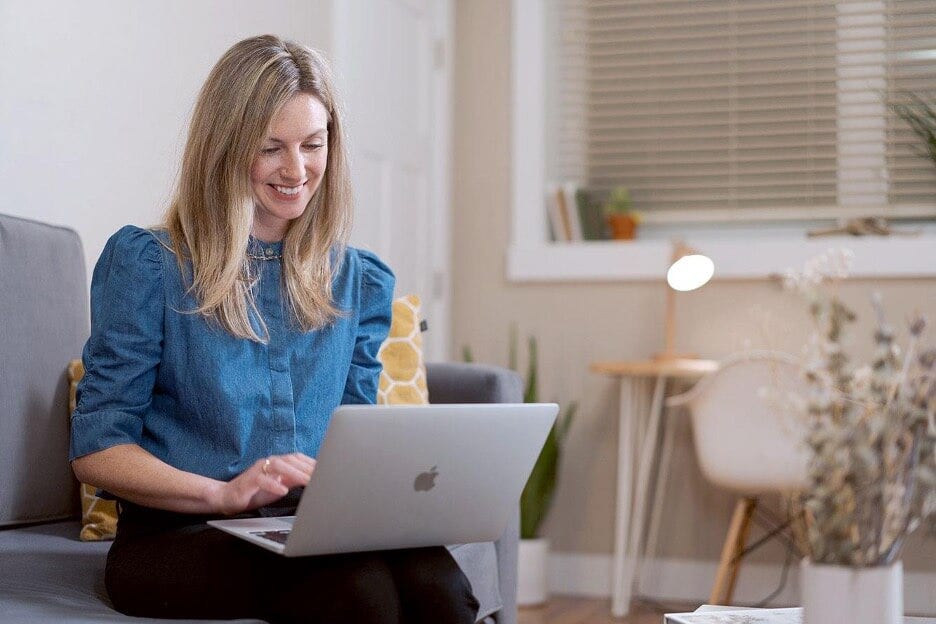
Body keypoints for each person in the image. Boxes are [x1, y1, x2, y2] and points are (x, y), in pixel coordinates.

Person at [69, 34, 479, 624]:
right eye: (271, 148)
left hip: (311, 523)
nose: (297, 170)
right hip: (179, 534)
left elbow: (354, 442)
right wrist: (220, 493)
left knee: (440, 585)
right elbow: (97, 450)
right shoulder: (150, 264)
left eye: (313, 145)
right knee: (357, 589)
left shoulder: (355, 279)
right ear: (225, 149)